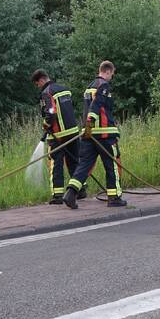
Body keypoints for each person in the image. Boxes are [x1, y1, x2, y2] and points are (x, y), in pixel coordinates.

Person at [64, 60, 126, 209]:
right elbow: (96, 105)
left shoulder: (89, 87)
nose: (112, 77)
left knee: (84, 165)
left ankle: (71, 193)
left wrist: (87, 128)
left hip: (89, 136)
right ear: (108, 71)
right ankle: (114, 197)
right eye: (112, 74)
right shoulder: (103, 85)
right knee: (112, 164)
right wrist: (91, 121)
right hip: (104, 135)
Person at [32, 69, 86, 203]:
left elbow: (51, 112)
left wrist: (46, 124)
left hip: (58, 135)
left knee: (56, 164)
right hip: (73, 132)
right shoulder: (64, 89)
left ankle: (58, 195)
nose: (37, 86)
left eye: (37, 83)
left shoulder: (47, 92)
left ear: (42, 80)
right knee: (74, 161)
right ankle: (80, 190)